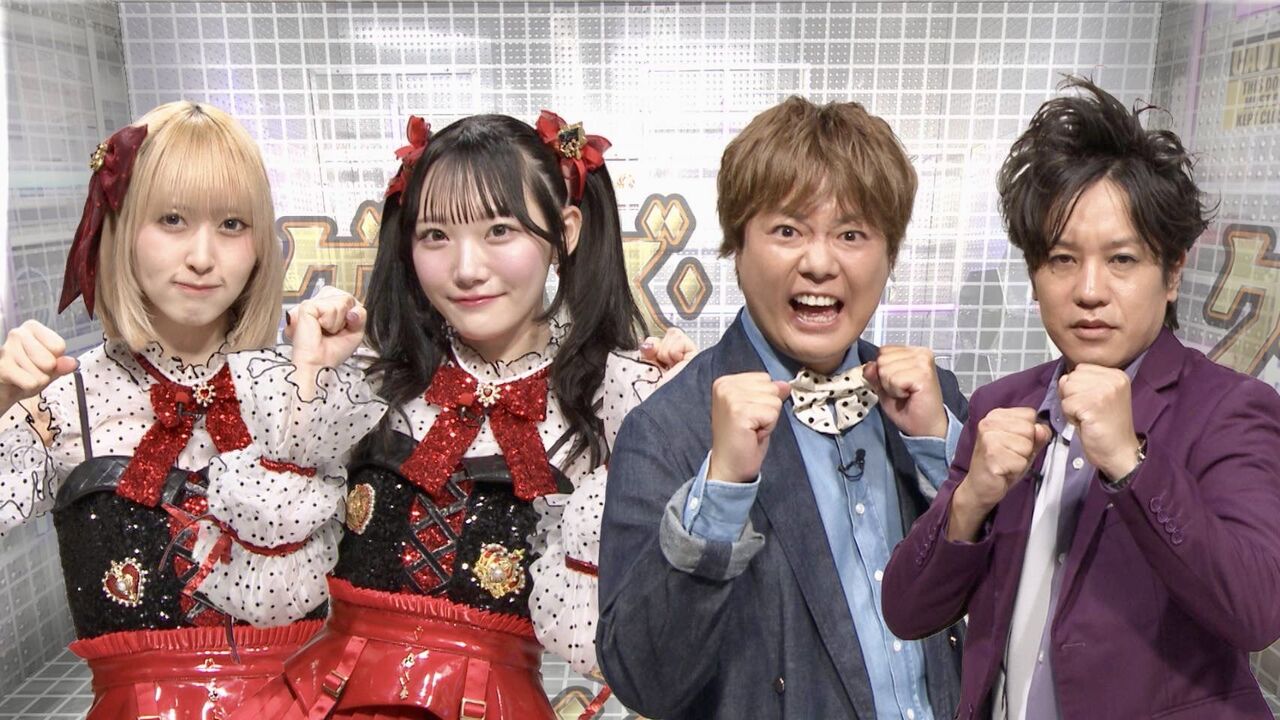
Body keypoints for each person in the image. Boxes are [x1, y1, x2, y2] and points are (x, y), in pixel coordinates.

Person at [231, 111, 694, 719]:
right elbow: (268, 600)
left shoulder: (611, 402)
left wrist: (668, 431)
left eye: (500, 230)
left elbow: (609, 648)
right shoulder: (365, 384)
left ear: (566, 231)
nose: (467, 268)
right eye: (435, 236)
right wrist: (309, 378)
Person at [881, 77, 1280, 719]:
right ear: (1034, 274)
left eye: (1121, 260)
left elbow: (1257, 610)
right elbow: (907, 611)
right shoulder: (1000, 405)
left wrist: (1131, 463)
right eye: (1062, 260)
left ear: (1173, 272)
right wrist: (971, 499)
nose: (1089, 290)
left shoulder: (1229, 409)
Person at [0, 101, 382, 718]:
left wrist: (313, 376)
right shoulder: (64, 396)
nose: (203, 257)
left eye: (232, 224)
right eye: (172, 219)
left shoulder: (311, 384)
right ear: (121, 225)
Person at [596, 96, 968, 719]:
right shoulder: (665, 429)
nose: (819, 263)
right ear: (737, 249)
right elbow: (644, 680)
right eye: (788, 231)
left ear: (889, 256)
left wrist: (943, 452)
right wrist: (721, 489)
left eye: (852, 234)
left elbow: (1016, 607)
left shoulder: (936, 402)